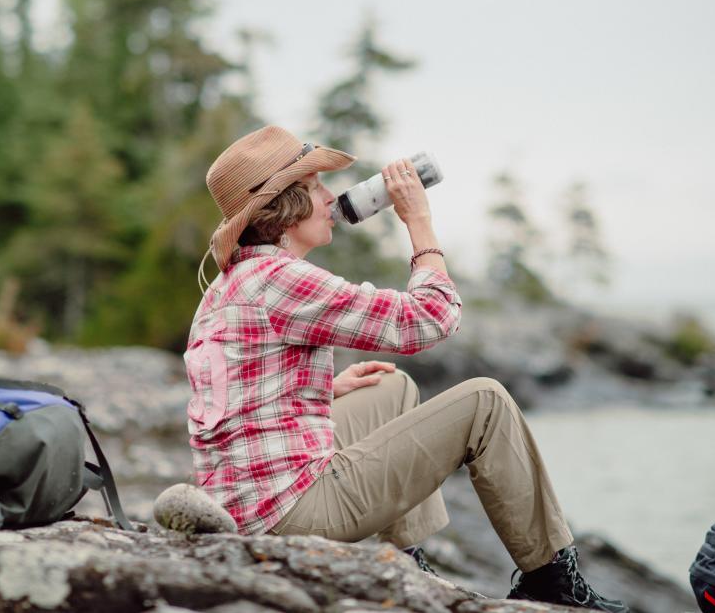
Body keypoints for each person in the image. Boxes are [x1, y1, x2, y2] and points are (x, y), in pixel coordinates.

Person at [186, 125, 627, 611]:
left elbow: (225, 401)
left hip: (244, 504)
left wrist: (321, 391)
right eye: (315, 187)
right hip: (287, 514)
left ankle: (404, 562)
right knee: (485, 401)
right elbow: (430, 319)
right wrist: (419, 223)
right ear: (285, 207)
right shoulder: (280, 278)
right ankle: (553, 580)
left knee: (389, 387)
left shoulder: (231, 282)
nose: (331, 196)